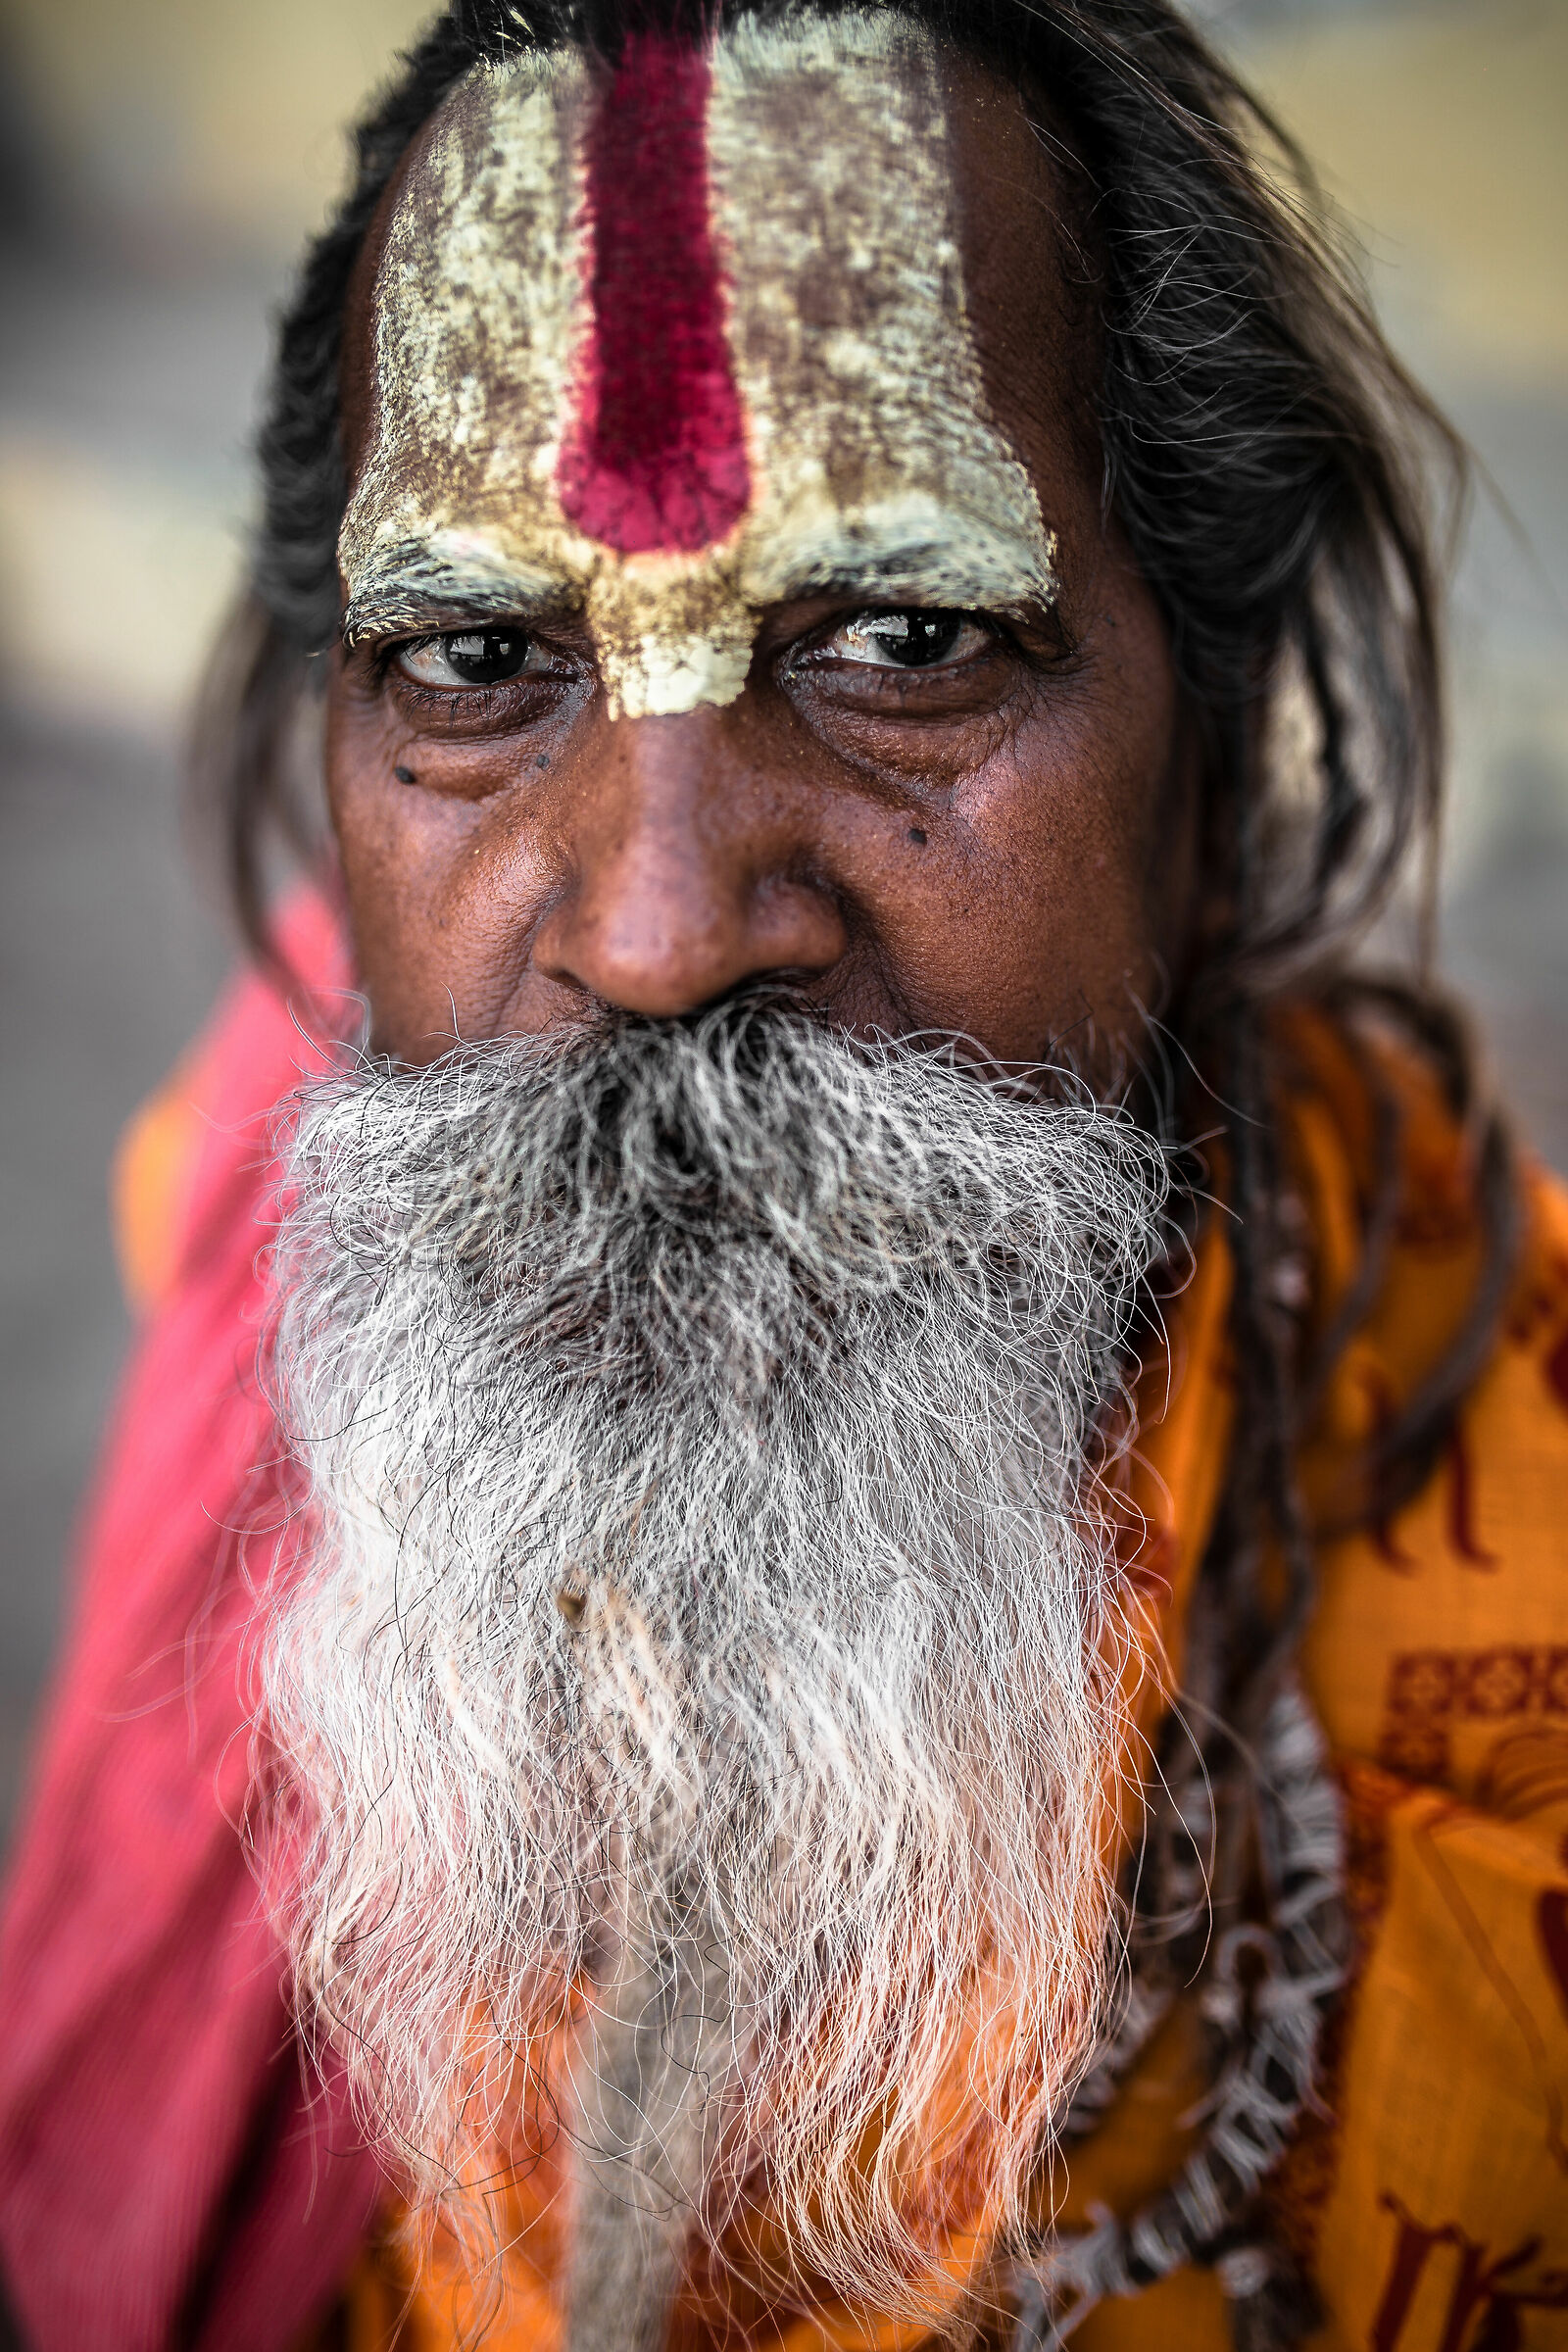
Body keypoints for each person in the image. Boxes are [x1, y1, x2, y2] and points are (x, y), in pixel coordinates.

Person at [1, 0, 1565, 2346]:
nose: (649, 932)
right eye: (472, 655)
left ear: (1214, 786)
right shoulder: (256, 1267)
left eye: (900, 638)